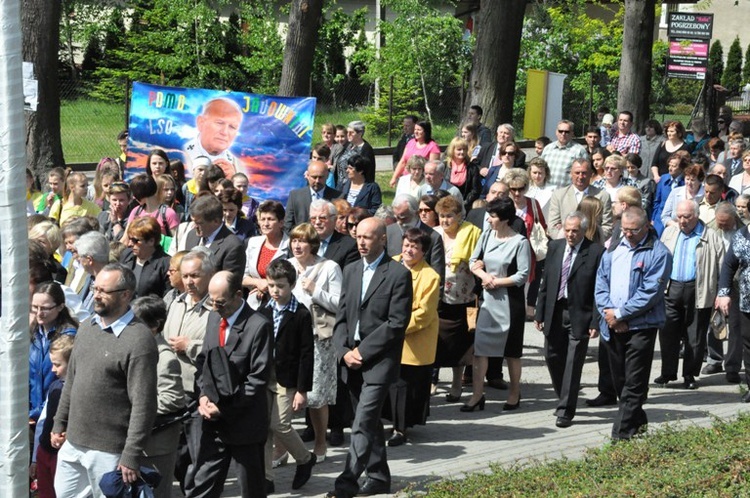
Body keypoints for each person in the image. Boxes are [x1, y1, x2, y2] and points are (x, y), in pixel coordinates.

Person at [52, 264, 158, 497]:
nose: (96, 295)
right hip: (73, 443)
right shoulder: (87, 327)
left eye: (103, 291)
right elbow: (72, 381)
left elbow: (144, 404)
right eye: (94, 288)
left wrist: (131, 453)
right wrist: (60, 422)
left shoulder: (139, 340)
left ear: (126, 295)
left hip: (109, 451)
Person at [327, 218, 412, 498]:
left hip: (378, 362)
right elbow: (341, 317)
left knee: (362, 422)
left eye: (368, 237)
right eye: (358, 236)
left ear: (383, 240)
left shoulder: (398, 274)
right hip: (350, 360)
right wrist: (343, 351)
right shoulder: (350, 271)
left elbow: (397, 323)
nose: (361, 242)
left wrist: (362, 352)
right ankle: (378, 477)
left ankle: (346, 483)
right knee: (369, 422)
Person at [185, 271, 273, 498]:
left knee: (250, 488)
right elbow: (205, 360)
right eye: (211, 301)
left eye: (220, 302)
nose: (215, 307)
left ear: (237, 295)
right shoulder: (215, 318)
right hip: (213, 423)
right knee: (203, 485)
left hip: (245, 422)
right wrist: (203, 395)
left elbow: (257, 380)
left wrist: (223, 408)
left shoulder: (258, 325)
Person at [594, 207, 672, 440]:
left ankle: (621, 434)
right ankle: (638, 421)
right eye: (624, 230)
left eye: (633, 230)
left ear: (647, 226)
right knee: (620, 381)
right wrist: (609, 313)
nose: (627, 234)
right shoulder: (614, 247)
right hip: (612, 324)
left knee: (634, 382)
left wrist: (621, 314)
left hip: (641, 327)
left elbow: (651, 292)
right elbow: (601, 281)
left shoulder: (659, 253)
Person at [535, 212, 604, 428]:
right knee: (552, 355)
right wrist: (539, 313)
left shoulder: (595, 252)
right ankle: (564, 394)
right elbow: (546, 282)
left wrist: (595, 321)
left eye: (575, 231)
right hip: (555, 311)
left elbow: (598, 290)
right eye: (567, 230)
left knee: (574, 363)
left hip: (579, 313)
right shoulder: (555, 247)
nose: (570, 234)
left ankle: (565, 410)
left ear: (584, 231)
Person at [464, 197, 531, 412]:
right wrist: (484, 275)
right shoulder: (486, 235)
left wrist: (496, 281)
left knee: (511, 352)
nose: (488, 220)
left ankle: (514, 393)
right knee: (480, 349)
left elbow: (522, 275)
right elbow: (473, 262)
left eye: (492, 216)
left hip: (510, 303)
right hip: (487, 301)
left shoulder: (519, 242)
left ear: (504, 219)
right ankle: (476, 395)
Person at [287, 222, 343, 460]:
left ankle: (321, 443)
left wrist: (314, 290)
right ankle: (281, 449)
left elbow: (339, 304)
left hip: (317, 338)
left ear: (313, 244)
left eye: (302, 241)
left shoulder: (329, 267)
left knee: (317, 395)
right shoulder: (286, 265)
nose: (297, 245)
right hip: (289, 338)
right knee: (286, 391)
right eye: (294, 240)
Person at [259, 259, 316, 492]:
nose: (275, 291)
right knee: (264, 428)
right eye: (271, 285)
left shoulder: (300, 314)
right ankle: (266, 479)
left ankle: (305, 458)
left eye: (280, 286)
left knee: (280, 424)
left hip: (287, 378)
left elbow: (306, 354)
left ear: (292, 285)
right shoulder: (264, 310)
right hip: (265, 375)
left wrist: (302, 390)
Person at [656, 200, 724, 390]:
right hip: (671, 288)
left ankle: (689, 375)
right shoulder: (670, 232)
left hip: (698, 290)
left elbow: (721, 267)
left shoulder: (711, 236)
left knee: (695, 336)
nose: (682, 221)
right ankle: (667, 372)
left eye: (687, 217)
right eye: (679, 216)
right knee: (668, 333)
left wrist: (720, 293)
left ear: (697, 215)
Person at [386, 228, 440, 446]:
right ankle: (391, 423)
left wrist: (395, 327)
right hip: (388, 337)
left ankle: (401, 429)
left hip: (413, 339)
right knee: (390, 384)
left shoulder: (430, 276)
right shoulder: (389, 264)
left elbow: (424, 314)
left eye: (414, 247)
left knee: (406, 387)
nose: (409, 250)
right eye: (406, 245)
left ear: (424, 251)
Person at [131, 296, 185, 498]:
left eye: (137, 323)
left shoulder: (165, 359)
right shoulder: (138, 350)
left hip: (156, 447)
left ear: (154, 326)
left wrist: (136, 410)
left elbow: (172, 399)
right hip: (136, 444)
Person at [432, 195, 481, 403]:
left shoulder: (472, 233)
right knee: (436, 342)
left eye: (449, 216)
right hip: (436, 297)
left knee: (459, 346)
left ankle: (456, 383)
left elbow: (479, 261)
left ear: (459, 216)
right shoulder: (434, 234)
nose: (444, 220)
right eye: (441, 216)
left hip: (463, 297)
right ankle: (432, 381)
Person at [29, 282, 78, 431]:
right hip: (30, 415)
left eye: (44, 308)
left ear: (60, 307)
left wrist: (36, 413)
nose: (39, 313)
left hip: (54, 415)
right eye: (35, 307)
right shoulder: (34, 334)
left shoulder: (69, 338)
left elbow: (65, 382)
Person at [31, 334, 74, 498]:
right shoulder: (55, 386)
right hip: (45, 450)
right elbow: (43, 421)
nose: (53, 369)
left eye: (57, 364)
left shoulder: (77, 389)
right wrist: (35, 458)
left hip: (62, 454)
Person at [386, 194, 446, 290]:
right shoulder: (389, 232)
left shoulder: (433, 238)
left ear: (416, 213)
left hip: (421, 295)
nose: (399, 222)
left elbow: (438, 277)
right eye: (396, 218)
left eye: (404, 218)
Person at [546, 158, 613, 240]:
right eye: (577, 173)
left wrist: (590, 241)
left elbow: (607, 226)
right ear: (571, 174)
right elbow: (553, 225)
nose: (580, 177)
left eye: (584, 173)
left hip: (591, 246)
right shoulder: (559, 195)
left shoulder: (603, 196)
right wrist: (566, 242)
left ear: (591, 174)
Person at [184, 193, 246, 275]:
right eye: (193, 221)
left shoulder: (233, 246)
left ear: (216, 221)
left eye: (199, 223)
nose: (194, 226)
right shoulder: (192, 236)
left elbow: (230, 283)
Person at [244, 200, 290, 309]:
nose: (265, 224)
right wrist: (258, 282)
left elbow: (292, 279)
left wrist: (268, 286)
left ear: (281, 222)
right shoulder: (252, 243)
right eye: (263, 219)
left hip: (281, 305)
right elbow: (242, 276)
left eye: (270, 219)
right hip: (254, 304)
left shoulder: (290, 246)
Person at [184, 97, 243, 176]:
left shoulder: (238, 165)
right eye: (220, 123)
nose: (225, 132)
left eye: (232, 127)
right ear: (201, 122)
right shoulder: (183, 154)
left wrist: (232, 180)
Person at [120, 216, 172, 298]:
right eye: (129, 239)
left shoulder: (166, 264)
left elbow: (167, 297)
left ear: (151, 241)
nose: (130, 244)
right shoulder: (127, 255)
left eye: (135, 240)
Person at [285, 160, 341, 233]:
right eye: (314, 177)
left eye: (320, 177)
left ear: (327, 176)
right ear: (307, 176)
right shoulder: (295, 196)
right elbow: (288, 225)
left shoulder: (338, 197)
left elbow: (340, 226)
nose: (317, 181)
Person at [390, 120, 441, 187]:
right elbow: (403, 161)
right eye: (415, 129)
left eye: (419, 130)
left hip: (422, 182)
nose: (416, 132)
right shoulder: (411, 142)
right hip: (407, 179)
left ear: (426, 131)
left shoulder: (433, 146)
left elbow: (432, 168)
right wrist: (394, 177)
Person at [541, 120, 589, 188]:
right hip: (547, 191)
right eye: (560, 131)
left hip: (568, 193)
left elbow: (586, 173)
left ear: (572, 133)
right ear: (556, 132)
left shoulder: (579, 151)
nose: (563, 134)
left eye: (567, 132)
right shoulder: (547, 149)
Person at [74, 231, 112, 313]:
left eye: (80, 256)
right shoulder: (89, 277)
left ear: (89, 260)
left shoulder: (112, 283)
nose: (78, 259)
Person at [661, 164, 706, 232]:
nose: (689, 183)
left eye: (693, 180)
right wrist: (676, 225)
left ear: (700, 181)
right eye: (687, 179)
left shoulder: (705, 195)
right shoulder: (675, 192)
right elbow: (664, 216)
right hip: (675, 231)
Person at [651, 153, 688, 236]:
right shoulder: (663, 179)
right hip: (660, 220)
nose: (670, 168)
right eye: (669, 165)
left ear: (682, 168)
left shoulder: (685, 182)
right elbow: (657, 201)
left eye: (674, 166)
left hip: (676, 221)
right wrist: (653, 219)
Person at [445, 137, 482, 211]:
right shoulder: (445, 166)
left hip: (465, 206)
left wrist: (463, 204)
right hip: (446, 205)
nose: (462, 152)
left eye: (464, 149)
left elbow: (475, 190)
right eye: (459, 149)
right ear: (452, 150)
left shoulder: (472, 168)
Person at [334, 121, 376, 186]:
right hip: (341, 185)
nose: (348, 134)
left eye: (351, 132)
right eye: (347, 132)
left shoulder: (365, 149)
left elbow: (368, 173)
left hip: (354, 186)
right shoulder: (349, 145)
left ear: (360, 134)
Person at [181, 156, 212, 221]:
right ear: (193, 170)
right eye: (200, 170)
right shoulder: (187, 187)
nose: (203, 173)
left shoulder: (212, 187)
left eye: (206, 170)